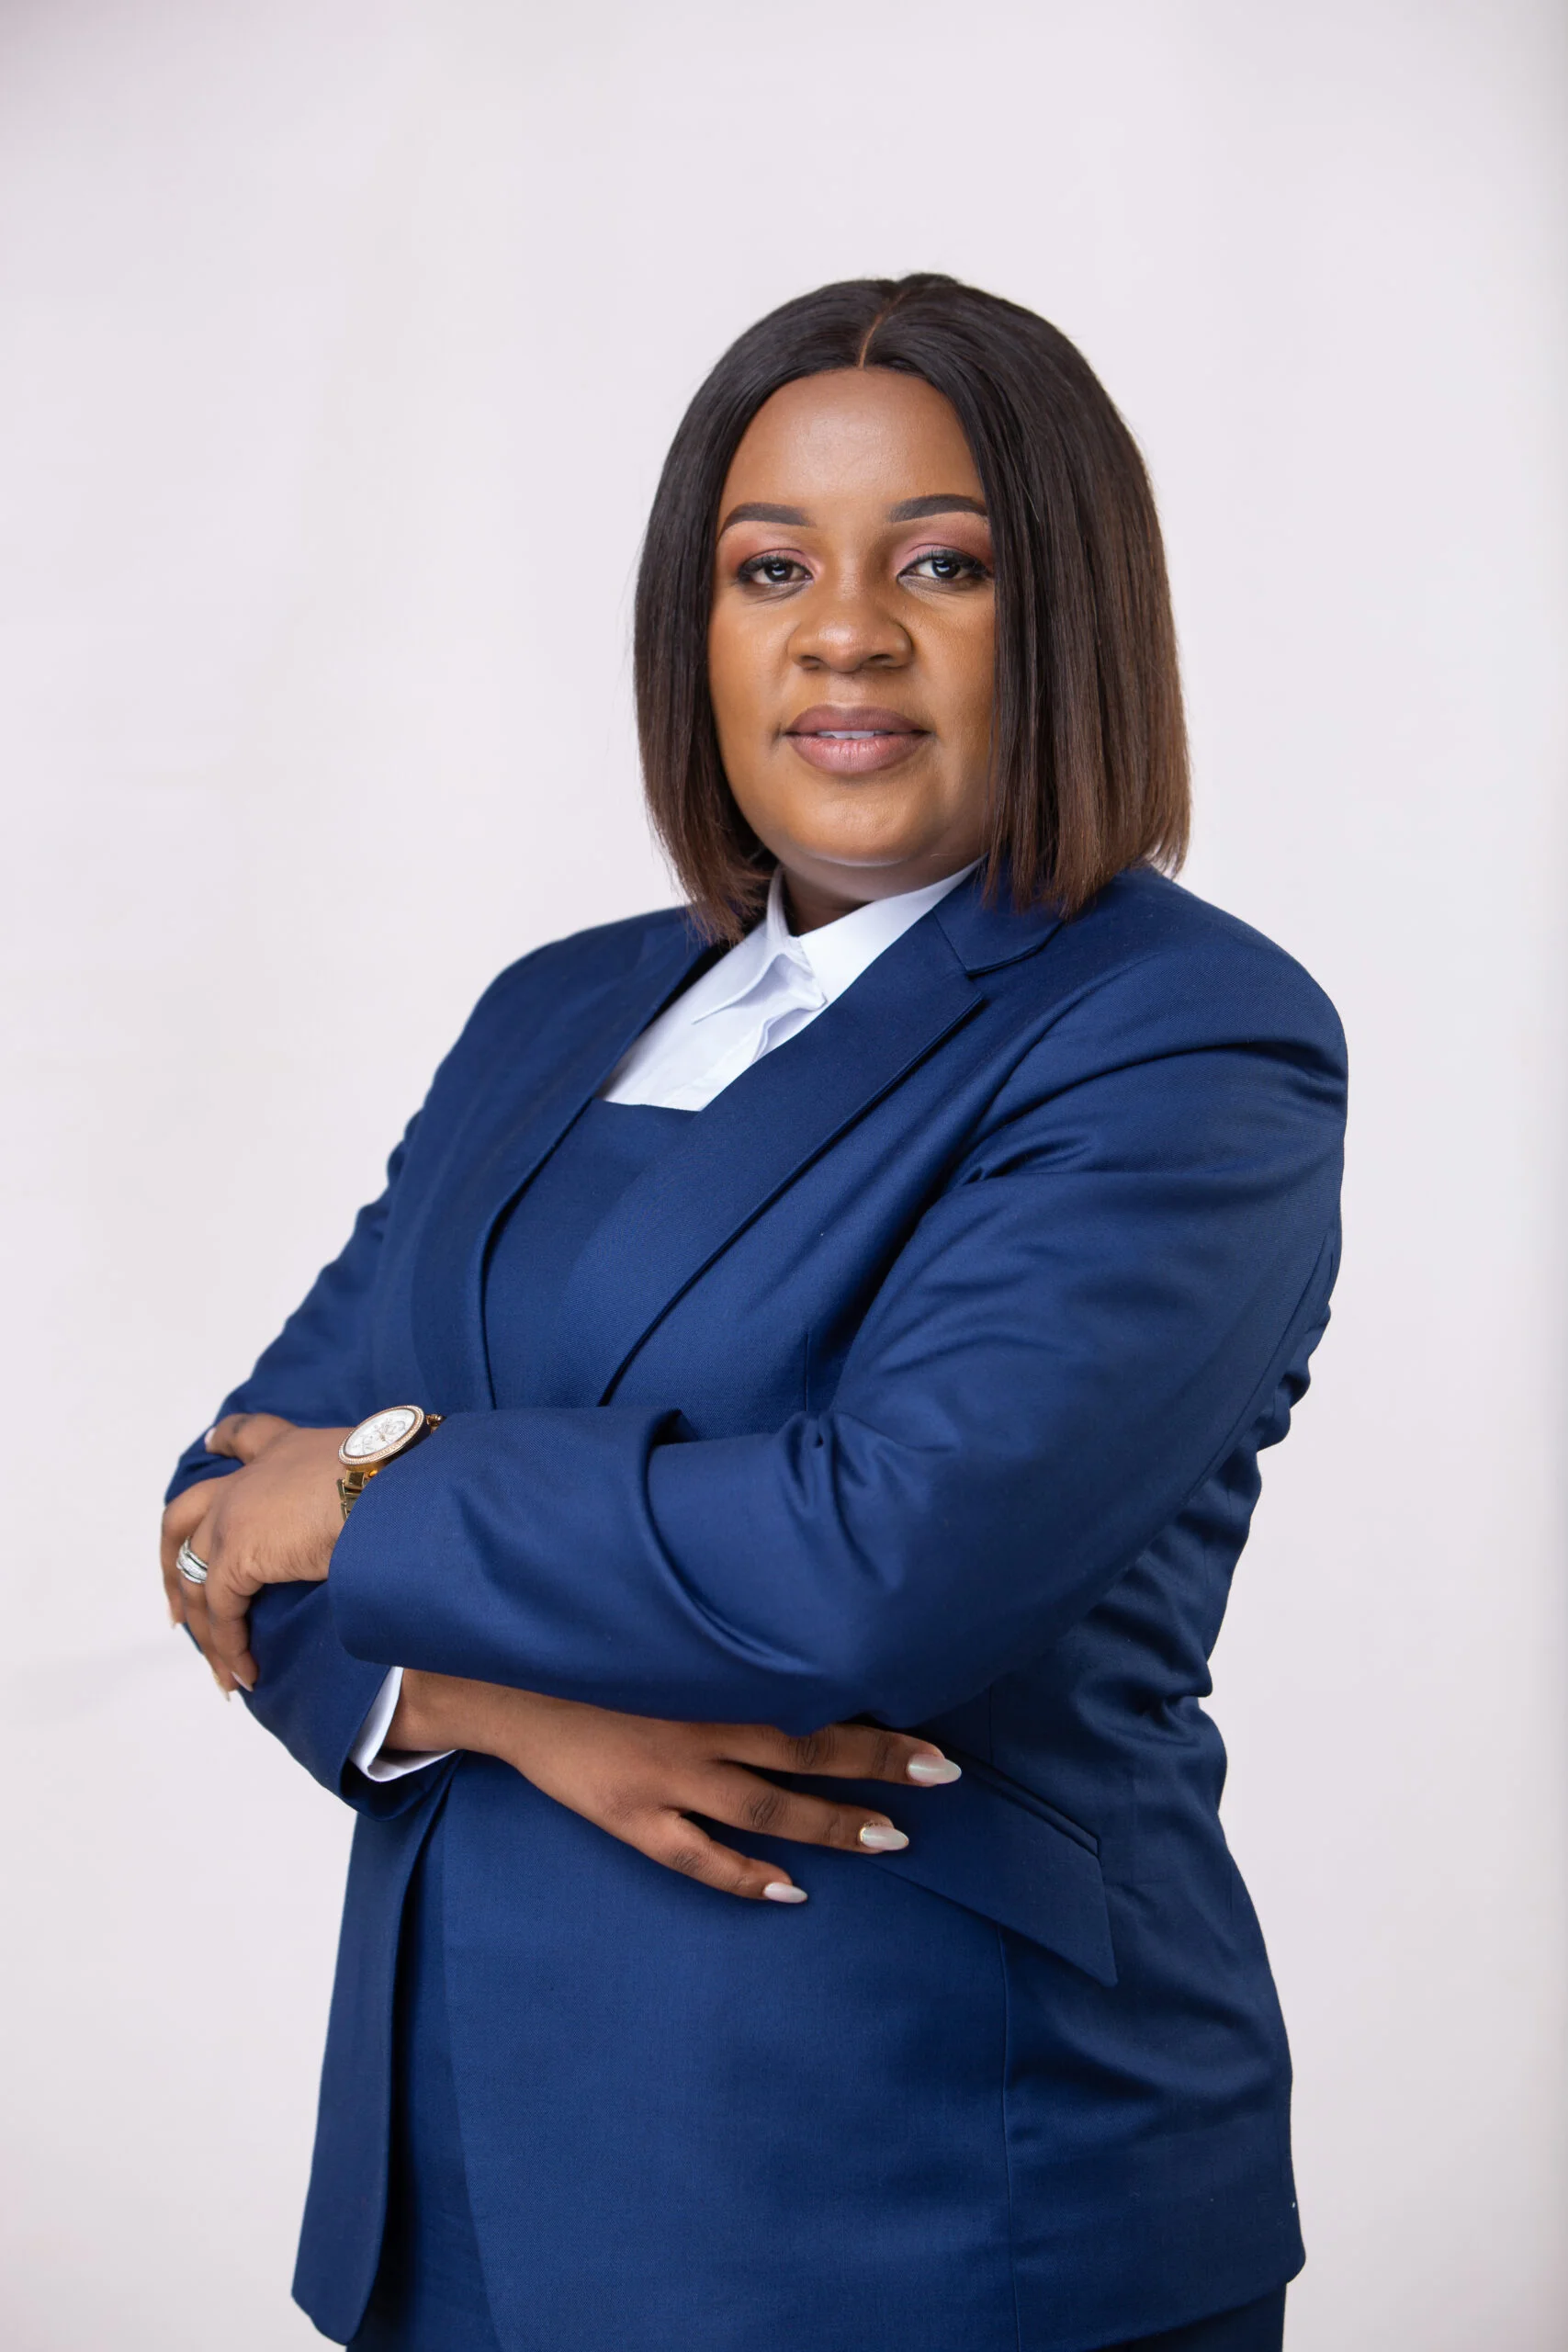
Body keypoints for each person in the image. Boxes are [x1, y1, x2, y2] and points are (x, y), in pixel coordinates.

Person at [162, 273, 1346, 2352]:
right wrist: (509, 1705)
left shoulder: (1179, 1032)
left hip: (914, 2191)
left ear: (1066, 615)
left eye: (943, 563)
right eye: (771, 567)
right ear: (692, 628)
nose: (844, 632)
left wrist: (373, 1491)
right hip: (464, 2180)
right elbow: (213, 1509)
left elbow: (878, 1558)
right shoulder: (552, 1008)